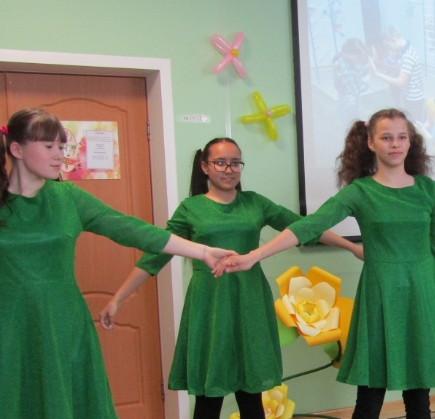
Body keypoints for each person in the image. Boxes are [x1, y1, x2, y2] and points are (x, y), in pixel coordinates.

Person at [215, 109, 435, 419]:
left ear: (410, 142)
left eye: (402, 137)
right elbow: (309, 226)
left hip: (424, 292)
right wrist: (254, 255)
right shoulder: (360, 192)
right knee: (370, 395)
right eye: (386, 137)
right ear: (370, 143)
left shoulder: (427, 189)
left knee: (419, 397)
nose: (395, 144)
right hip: (381, 295)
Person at [100, 137, 361, 419]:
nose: (229, 170)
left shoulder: (255, 203)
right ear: (204, 166)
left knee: (251, 392)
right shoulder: (191, 208)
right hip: (209, 304)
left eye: (235, 163)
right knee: (209, 395)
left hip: (249, 300)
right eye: (220, 163)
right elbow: (156, 254)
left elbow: (305, 227)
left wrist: (352, 247)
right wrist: (118, 298)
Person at [0, 109, 235, 419]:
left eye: (62, 146)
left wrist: (201, 251)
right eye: (49, 146)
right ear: (17, 149)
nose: (59, 155)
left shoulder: (67, 197)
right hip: (10, 324)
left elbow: (130, 229)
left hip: (63, 321)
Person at [370, 26, 425, 123]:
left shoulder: (408, 55)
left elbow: (400, 82)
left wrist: (377, 74)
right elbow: (397, 70)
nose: (389, 48)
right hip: (410, 95)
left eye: (389, 46)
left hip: (413, 98)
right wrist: (378, 62)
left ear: (393, 40)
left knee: (414, 125)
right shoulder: (406, 50)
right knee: (410, 122)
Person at [332, 38, 371, 127]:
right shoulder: (340, 64)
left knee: (354, 118)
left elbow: (354, 75)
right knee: (351, 124)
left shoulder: (347, 60)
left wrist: (367, 68)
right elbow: (355, 90)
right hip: (347, 100)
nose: (359, 59)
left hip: (350, 99)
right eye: (358, 56)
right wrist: (368, 78)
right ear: (351, 54)